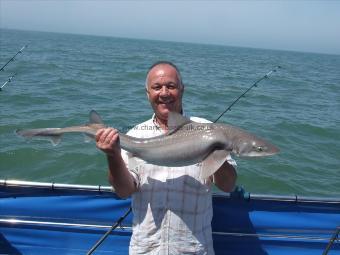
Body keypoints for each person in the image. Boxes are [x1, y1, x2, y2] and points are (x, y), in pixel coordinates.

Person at [96, 61, 237, 255]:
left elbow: (228, 186)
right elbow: (123, 191)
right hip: (146, 249)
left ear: (182, 90)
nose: (164, 93)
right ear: (148, 93)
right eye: (156, 87)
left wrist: (214, 150)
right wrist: (112, 156)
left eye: (171, 86)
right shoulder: (136, 135)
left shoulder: (209, 130)